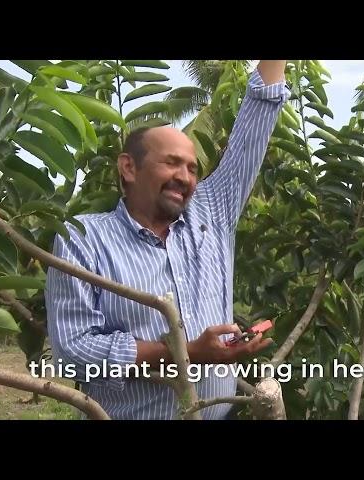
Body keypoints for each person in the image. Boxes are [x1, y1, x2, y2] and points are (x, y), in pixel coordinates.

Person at [45, 60, 289, 419]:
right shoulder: (84, 238)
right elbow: (74, 352)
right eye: (172, 163)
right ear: (129, 167)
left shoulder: (211, 213)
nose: (185, 177)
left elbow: (258, 115)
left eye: (192, 168)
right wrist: (182, 352)